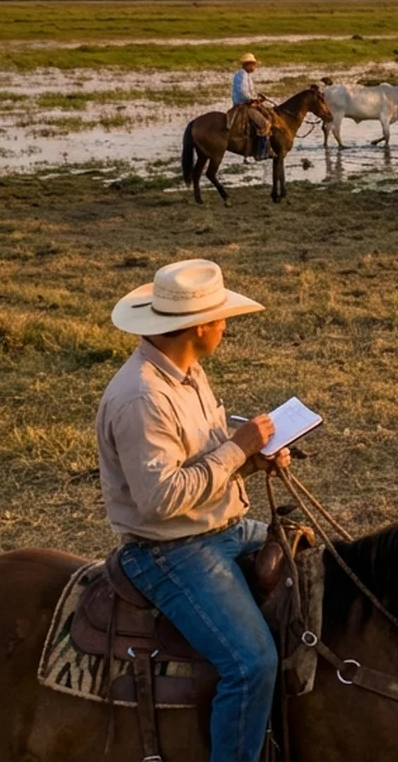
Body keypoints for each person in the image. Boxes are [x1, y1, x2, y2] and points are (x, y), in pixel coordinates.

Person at [98, 259, 289, 762]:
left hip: (219, 526)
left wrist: (252, 460)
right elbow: (160, 500)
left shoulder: (187, 373)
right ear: (200, 326)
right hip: (170, 550)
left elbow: (199, 466)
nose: (226, 326)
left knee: (314, 566)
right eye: (222, 318)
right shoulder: (142, 398)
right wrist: (238, 448)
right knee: (250, 665)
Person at [228, 54, 274, 161]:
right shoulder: (243, 75)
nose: (255, 67)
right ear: (248, 65)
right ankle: (261, 151)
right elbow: (243, 92)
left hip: (246, 102)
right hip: (244, 105)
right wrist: (253, 99)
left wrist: (257, 97)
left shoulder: (245, 75)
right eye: (253, 65)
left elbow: (249, 91)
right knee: (264, 124)